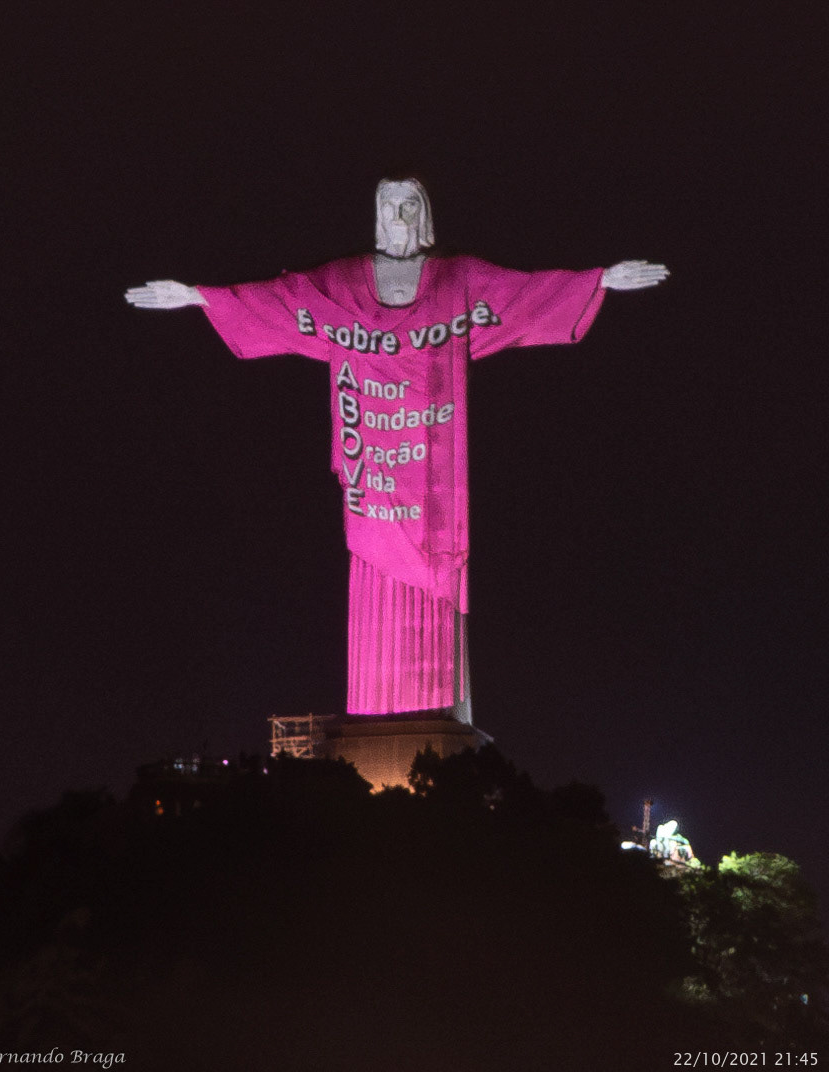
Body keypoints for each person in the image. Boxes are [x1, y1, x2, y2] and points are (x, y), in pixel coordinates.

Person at [126, 178, 668, 722]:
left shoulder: (458, 280)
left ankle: (442, 722)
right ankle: (382, 722)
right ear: (376, 214)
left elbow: (524, 294)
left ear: (426, 213)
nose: (399, 214)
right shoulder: (340, 283)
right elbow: (280, 301)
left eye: (410, 204)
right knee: (374, 595)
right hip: (375, 488)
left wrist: (601, 281)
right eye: (389, 205)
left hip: (435, 486)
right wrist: (199, 296)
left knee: (437, 603)